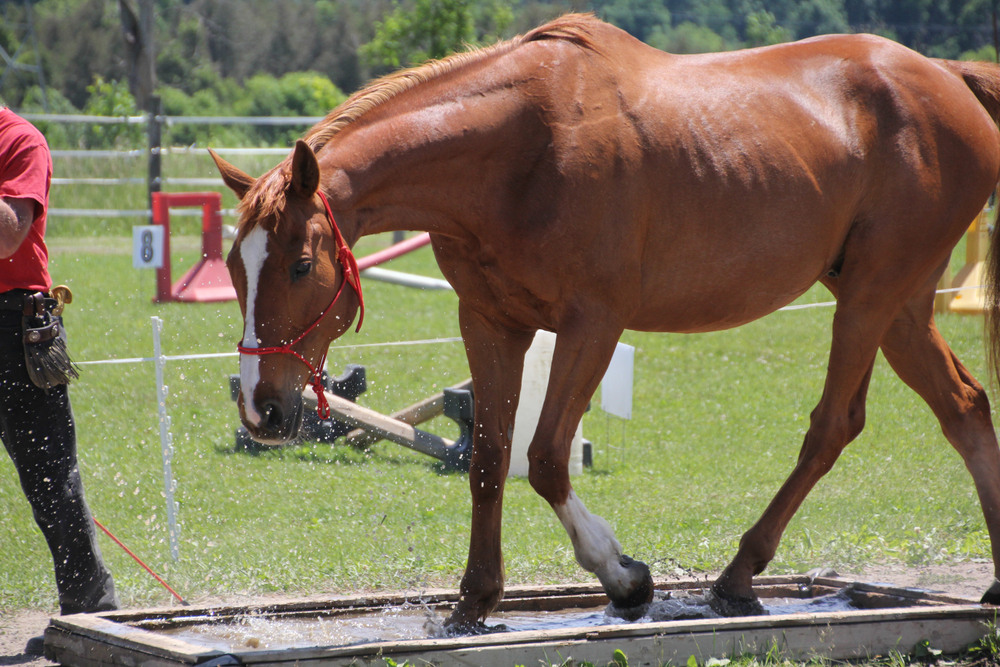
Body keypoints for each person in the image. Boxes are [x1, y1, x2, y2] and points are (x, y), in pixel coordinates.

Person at [0, 107, 118, 655]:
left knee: (50, 480)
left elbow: (8, 234)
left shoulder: (19, 139)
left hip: (14, 327)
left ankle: (90, 613)